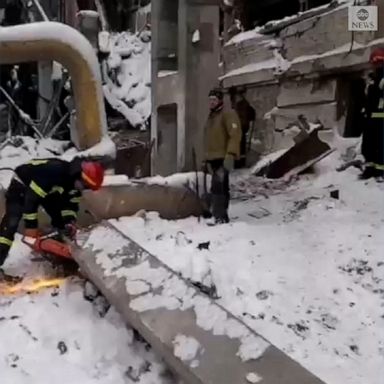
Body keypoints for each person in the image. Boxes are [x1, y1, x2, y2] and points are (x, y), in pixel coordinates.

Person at [0, 158, 105, 280]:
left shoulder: (73, 185)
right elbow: (31, 201)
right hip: (23, 182)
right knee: (12, 220)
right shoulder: (54, 172)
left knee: (60, 219)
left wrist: (68, 223)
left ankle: (61, 251)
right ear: (80, 176)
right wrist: (31, 227)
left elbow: (69, 206)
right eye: (85, 185)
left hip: (47, 189)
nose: (83, 189)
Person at [203, 88, 241, 224]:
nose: (211, 103)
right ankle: (219, 214)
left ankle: (220, 217)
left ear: (220, 100)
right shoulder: (212, 116)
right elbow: (209, 138)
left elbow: (235, 135)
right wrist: (206, 157)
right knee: (218, 186)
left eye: (214, 100)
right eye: (210, 100)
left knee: (218, 186)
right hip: (213, 157)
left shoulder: (228, 114)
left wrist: (231, 154)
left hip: (223, 157)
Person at [360, 47, 384, 179]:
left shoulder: (381, 78)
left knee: (380, 146)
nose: (376, 64)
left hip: (381, 118)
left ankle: (380, 171)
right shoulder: (372, 78)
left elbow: (378, 94)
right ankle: (369, 169)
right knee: (368, 145)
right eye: (374, 62)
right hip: (370, 118)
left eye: (378, 62)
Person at [229, 86, 256, 168]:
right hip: (240, 130)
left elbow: (243, 119)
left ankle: (239, 163)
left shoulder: (241, 105)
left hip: (240, 130)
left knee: (240, 149)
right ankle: (239, 163)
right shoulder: (241, 105)